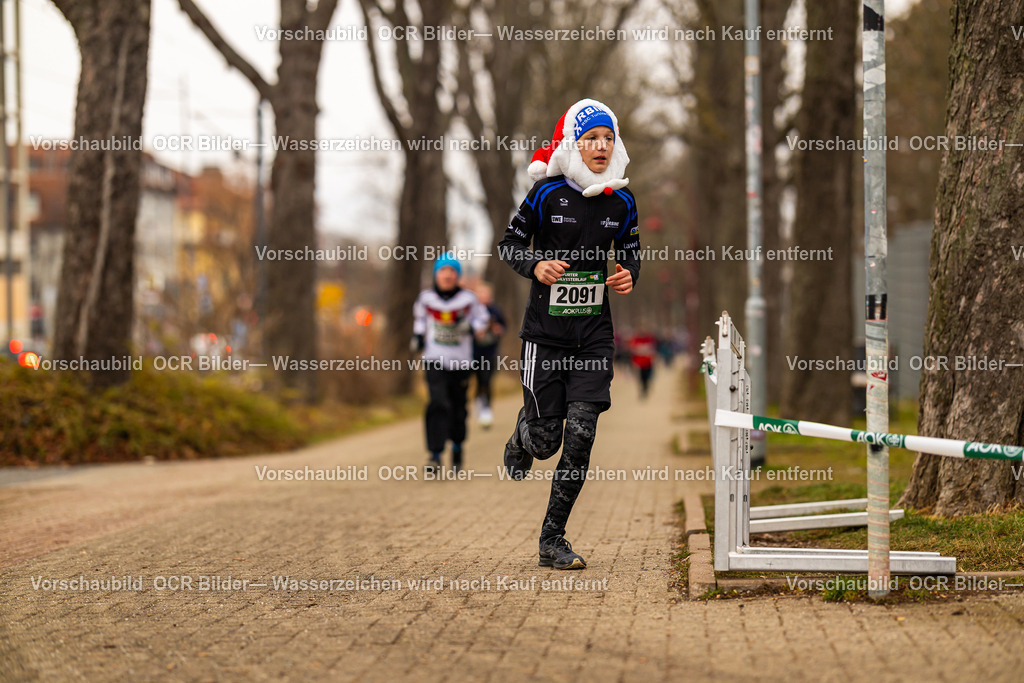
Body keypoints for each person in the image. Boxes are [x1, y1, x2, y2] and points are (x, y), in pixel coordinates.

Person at [498, 99, 641, 570]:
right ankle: (523, 434)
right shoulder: (546, 194)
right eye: (591, 139)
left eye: (608, 138)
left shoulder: (622, 199)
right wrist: (535, 264)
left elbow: (632, 251)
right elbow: (510, 244)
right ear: (574, 145)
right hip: (545, 334)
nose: (600, 146)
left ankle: (552, 540)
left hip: (594, 337)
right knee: (546, 443)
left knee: (580, 437)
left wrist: (629, 274)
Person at [411, 253, 489, 476]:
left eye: (452, 271)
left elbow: (482, 320)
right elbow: (420, 319)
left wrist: (472, 327)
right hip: (435, 360)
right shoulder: (426, 299)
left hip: (461, 363)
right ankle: (434, 455)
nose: (447, 275)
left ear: (458, 276)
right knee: (437, 403)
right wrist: (417, 337)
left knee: (457, 407)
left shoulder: (468, 299)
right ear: (437, 275)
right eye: (443, 271)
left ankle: (456, 445)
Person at [471, 283, 506, 429]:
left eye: (486, 294)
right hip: (472, 354)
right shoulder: (471, 311)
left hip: (490, 353)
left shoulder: (495, 311)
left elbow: (504, 326)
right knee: (476, 381)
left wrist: (498, 329)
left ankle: (486, 409)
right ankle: (478, 402)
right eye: (480, 295)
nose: (483, 297)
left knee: (487, 380)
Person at [629, 328, 658, 399]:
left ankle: (646, 389)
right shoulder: (636, 340)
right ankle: (642, 390)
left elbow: (652, 350)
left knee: (647, 377)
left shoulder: (649, 339)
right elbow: (633, 350)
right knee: (640, 378)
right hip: (639, 364)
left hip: (648, 362)